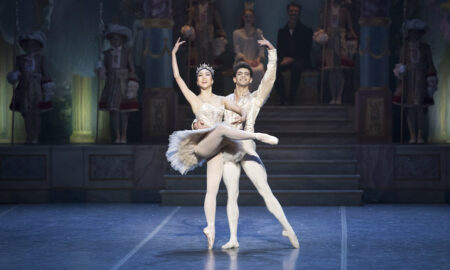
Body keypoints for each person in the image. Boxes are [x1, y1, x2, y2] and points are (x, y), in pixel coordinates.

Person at [167, 38, 279, 250]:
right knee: (219, 129)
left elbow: (244, 109)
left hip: (217, 150)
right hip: (201, 146)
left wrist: (242, 117)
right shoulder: (194, 99)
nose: (203, 78)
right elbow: (177, 77)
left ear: (212, 79)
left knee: (212, 191)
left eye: (207, 75)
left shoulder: (222, 100)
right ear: (198, 80)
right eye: (200, 75)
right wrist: (173, 54)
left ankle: (210, 229)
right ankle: (257, 137)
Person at [194, 38, 299, 249]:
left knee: (264, 190)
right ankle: (233, 238)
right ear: (234, 79)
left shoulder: (255, 99)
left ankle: (287, 227)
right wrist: (196, 123)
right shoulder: (225, 101)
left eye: (246, 74)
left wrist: (273, 53)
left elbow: (269, 79)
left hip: (248, 148)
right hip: (229, 150)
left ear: (251, 80)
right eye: (239, 74)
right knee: (231, 194)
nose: (243, 76)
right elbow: (209, 116)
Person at [392, 19, 438, 144]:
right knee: (410, 109)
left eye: (417, 33)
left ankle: (420, 135)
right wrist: (401, 69)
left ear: (420, 34)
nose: (414, 35)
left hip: (421, 80)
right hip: (408, 81)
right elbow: (400, 63)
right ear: (409, 34)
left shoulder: (425, 48)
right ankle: (412, 135)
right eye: (412, 33)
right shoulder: (404, 48)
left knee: (419, 109)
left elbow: (430, 64)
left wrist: (431, 80)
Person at [7, 31, 55, 144]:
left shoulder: (41, 59)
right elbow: (16, 73)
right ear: (24, 46)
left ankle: (35, 136)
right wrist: (15, 75)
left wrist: (47, 89)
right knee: (26, 114)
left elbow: (45, 74)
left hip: (37, 89)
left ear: (37, 46)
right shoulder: (19, 59)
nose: (30, 47)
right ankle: (29, 136)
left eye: (33, 44)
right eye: (27, 44)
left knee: (37, 113)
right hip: (23, 88)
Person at [96, 24, 139, 144]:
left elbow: (132, 68)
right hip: (111, 83)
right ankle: (117, 135)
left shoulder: (127, 53)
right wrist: (100, 69)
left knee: (124, 111)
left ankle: (124, 135)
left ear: (122, 39)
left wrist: (131, 81)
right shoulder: (107, 54)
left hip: (123, 83)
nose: (115, 41)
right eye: (113, 39)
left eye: (117, 38)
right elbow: (104, 68)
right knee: (113, 111)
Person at [316, 0, 357, 105]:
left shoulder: (345, 11)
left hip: (341, 40)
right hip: (329, 41)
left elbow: (350, 28)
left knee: (339, 70)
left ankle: (339, 96)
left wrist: (352, 39)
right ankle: (333, 96)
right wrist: (320, 35)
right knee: (331, 70)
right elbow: (320, 28)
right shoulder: (325, 11)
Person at [275, 1, 312, 105]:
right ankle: (282, 97)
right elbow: (279, 49)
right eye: (291, 11)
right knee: (274, 68)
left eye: (296, 11)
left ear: (299, 13)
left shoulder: (306, 30)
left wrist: (293, 59)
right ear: (288, 12)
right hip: (286, 60)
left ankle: (291, 98)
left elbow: (306, 50)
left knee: (296, 67)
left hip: (301, 60)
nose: (293, 13)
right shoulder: (281, 31)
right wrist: (283, 59)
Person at [181, 0, 227, 66]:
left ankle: (209, 71)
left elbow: (218, 24)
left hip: (209, 35)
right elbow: (189, 24)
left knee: (209, 55)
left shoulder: (213, 9)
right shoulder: (193, 9)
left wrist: (221, 35)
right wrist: (187, 30)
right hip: (198, 35)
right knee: (198, 55)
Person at [233, 4, 265, 91]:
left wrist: (258, 59)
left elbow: (261, 49)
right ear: (243, 18)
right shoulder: (237, 33)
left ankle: (256, 95)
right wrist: (247, 61)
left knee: (259, 70)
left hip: (255, 61)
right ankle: (244, 95)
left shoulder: (258, 32)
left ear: (253, 18)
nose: (248, 19)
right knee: (245, 70)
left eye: (250, 17)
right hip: (242, 61)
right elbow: (237, 51)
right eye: (246, 16)